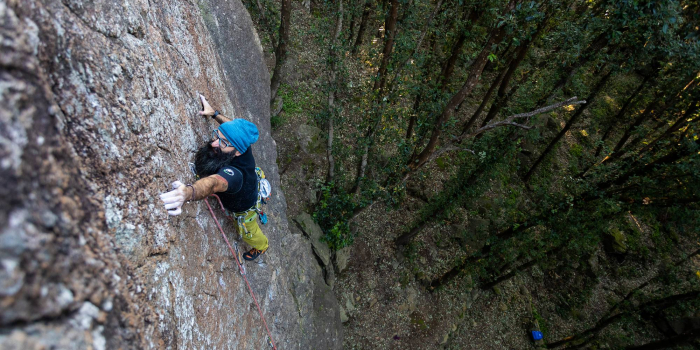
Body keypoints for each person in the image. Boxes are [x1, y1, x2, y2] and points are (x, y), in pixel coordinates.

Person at [159, 95, 269, 261]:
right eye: (217, 136)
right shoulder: (240, 141)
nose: (215, 143)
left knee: (248, 232)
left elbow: (214, 183)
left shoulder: (236, 175)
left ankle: (262, 247)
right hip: (249, 181)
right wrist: (214, 113)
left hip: (244, 206)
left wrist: (187, 193)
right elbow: (230, 126)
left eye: (223, 143)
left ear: (237, 152)